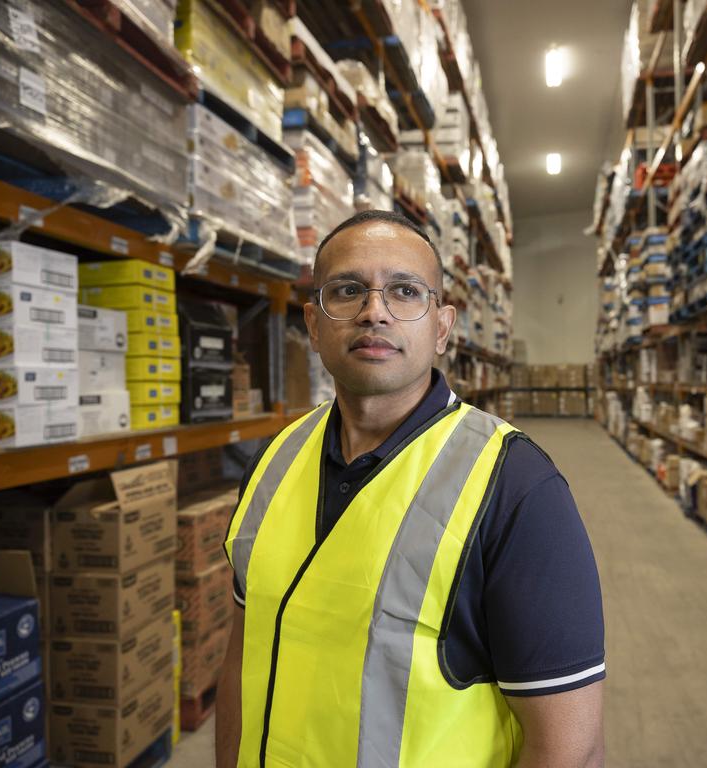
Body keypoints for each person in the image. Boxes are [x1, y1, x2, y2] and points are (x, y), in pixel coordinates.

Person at [216, 210, 605, 767]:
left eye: (404, 291)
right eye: (348, 291)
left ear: (442, 328)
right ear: (314, 323)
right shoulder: (274, 462)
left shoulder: (516, 488)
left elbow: (573, 750)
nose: (375, 312)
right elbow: (241, 655)